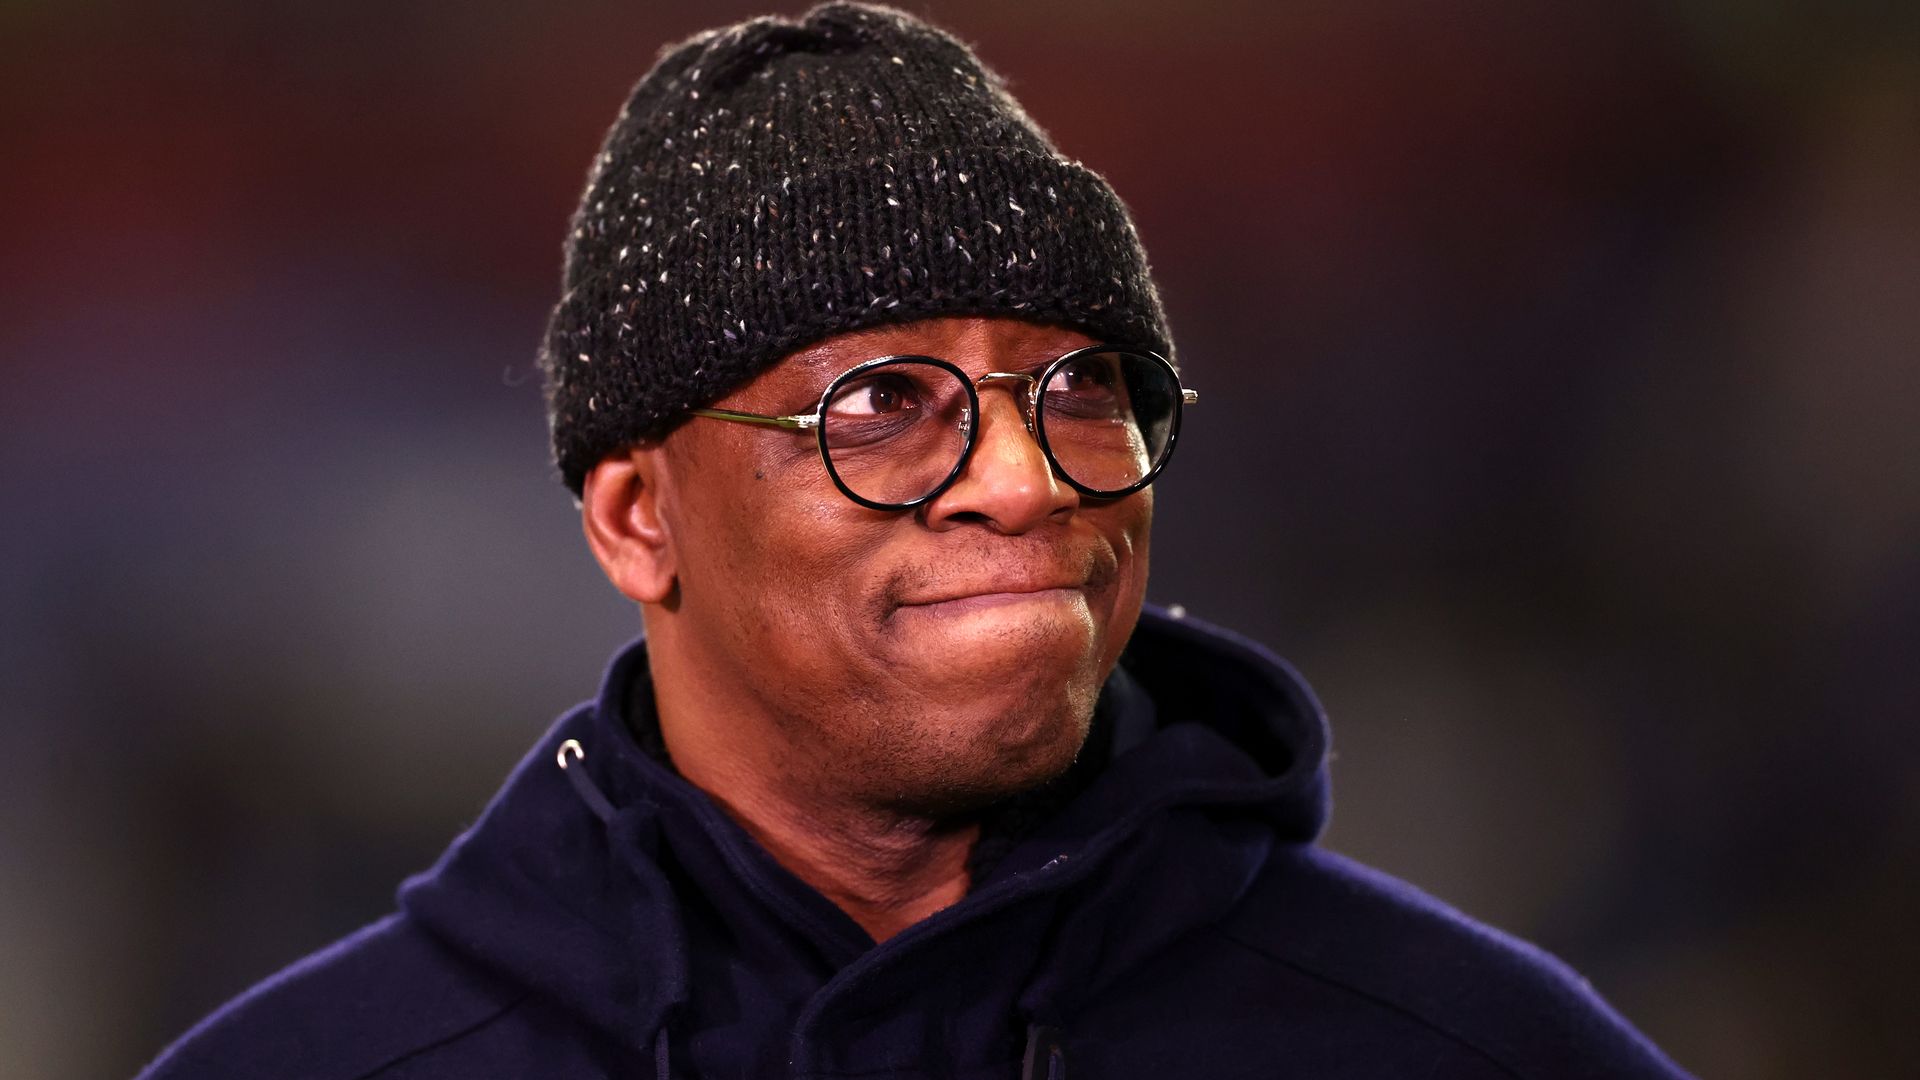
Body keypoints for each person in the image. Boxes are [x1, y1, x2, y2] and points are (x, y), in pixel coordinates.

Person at [137, 4, 1689, 1078]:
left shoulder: (1468, 1052)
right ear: (636, 518)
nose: (1024, 480)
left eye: (1084, 390)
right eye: (881, 404)